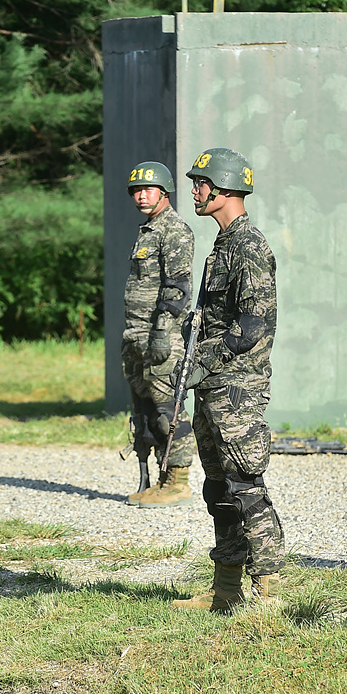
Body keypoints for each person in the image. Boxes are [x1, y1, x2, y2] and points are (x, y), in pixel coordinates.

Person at [171, 148, 282, 611]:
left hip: (236, 388)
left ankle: (269, 594)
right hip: (214, 386)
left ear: (223, 188)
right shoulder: (223, 245)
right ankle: (226, 591)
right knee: (217, 490)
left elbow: (253, 324)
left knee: (246, 488)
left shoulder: (250, 247)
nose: (195, 190)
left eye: (201, 182)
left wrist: (205, 359)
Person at [121, 160, 196, 508]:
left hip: (161, 337)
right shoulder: (147, 230)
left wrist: (163, 331)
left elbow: (178, 287)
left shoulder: (174, 231)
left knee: (169, 410)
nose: (141, 195)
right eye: (136, 190)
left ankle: (178, 482)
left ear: (164, 192)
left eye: (148, 189)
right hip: (137, 337)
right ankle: (161, 480)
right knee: (148, 412)